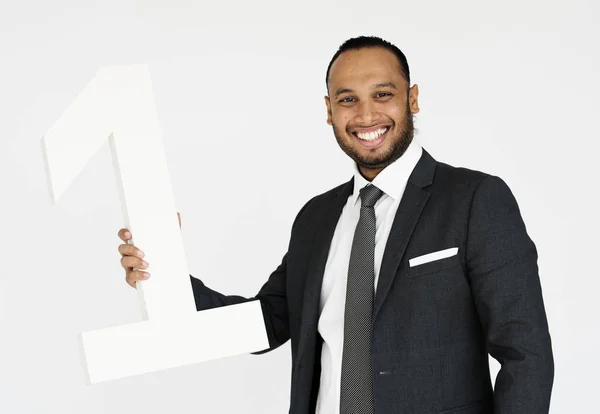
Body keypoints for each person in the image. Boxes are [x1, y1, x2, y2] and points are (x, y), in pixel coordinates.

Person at [117, 36, 554, 414]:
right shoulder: (316, 218)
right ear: (329, 110)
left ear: (413, 98)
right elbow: (268, 322)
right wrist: (167, 275)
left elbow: (526, 353)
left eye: (383, 94)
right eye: (348, 99)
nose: (366, 116)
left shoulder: (474, 199)